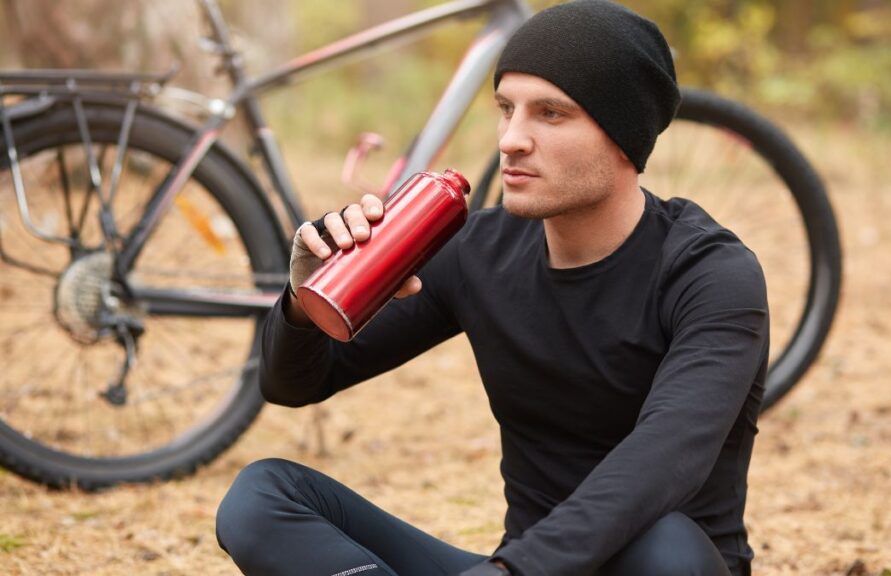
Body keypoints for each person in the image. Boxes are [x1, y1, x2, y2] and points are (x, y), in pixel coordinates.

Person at [216, 1, 768, 575]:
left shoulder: (711, 275)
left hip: (645, 567)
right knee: (263, 496)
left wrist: (511, 572)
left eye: (551, 114)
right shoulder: (478, 250)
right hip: (515, 568)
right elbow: (295, 384)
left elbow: (664, 461)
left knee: (665, 545)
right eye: (506, 109)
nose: (511, 140)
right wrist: (306, 304)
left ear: (625, 136)